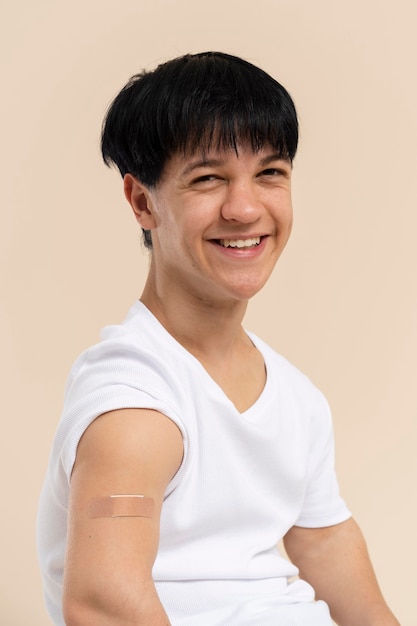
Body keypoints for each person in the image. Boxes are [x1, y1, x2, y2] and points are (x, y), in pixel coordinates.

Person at [37, 51, 399, 626]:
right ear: (141, 201)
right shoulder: (135, 403)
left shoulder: (295, 396)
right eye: (208, 179)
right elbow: (102, 605)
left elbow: (328, 545)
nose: (245, 207)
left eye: (270, 173)